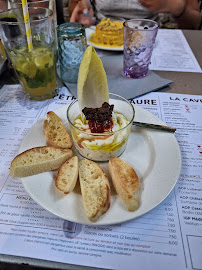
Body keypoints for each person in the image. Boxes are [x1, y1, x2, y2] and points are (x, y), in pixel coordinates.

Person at [68, 0, 201, 30]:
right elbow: (75, 7)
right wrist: (84, 12)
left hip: (150, 41)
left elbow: (194, 24)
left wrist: (178, 8)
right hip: (103, 40)